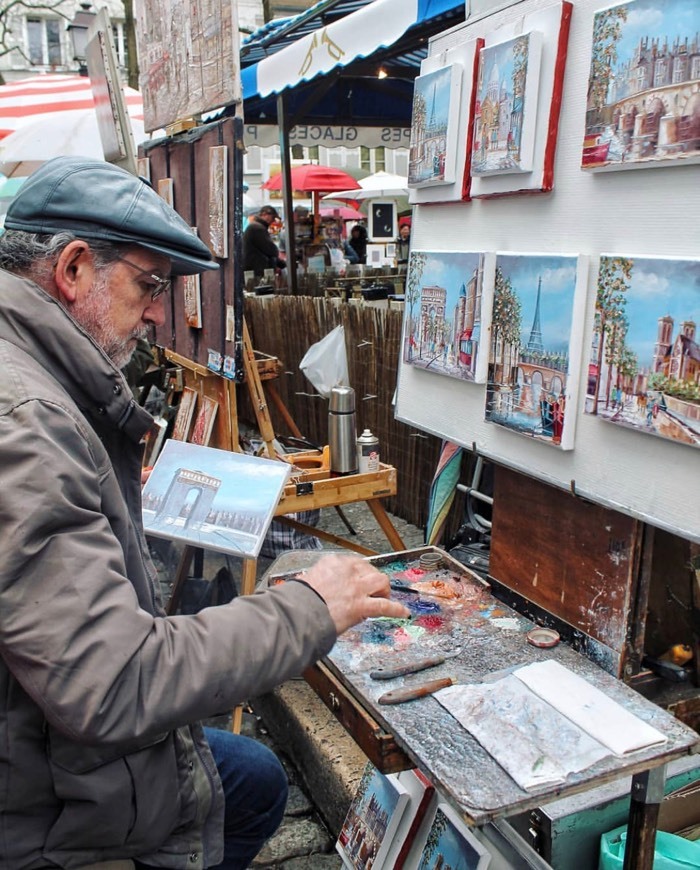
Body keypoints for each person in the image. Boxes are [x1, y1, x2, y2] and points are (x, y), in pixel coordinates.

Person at [0, 156, 409, 870]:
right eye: (147, 284)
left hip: (43, 743)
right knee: (245, 783)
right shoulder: (27, 421)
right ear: (70, 270)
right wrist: (306, 609)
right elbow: (115, 682)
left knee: (248, 776)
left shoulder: (29, 373)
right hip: (43, 798)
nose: (159, 312)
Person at [242, 204, 286, 277]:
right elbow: (271, 250)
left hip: (254, 269)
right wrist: (283, 263)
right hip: (256, 270)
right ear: (265, 215)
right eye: (273, 218)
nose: (272, 221)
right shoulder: (257, 228)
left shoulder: (256, 227)